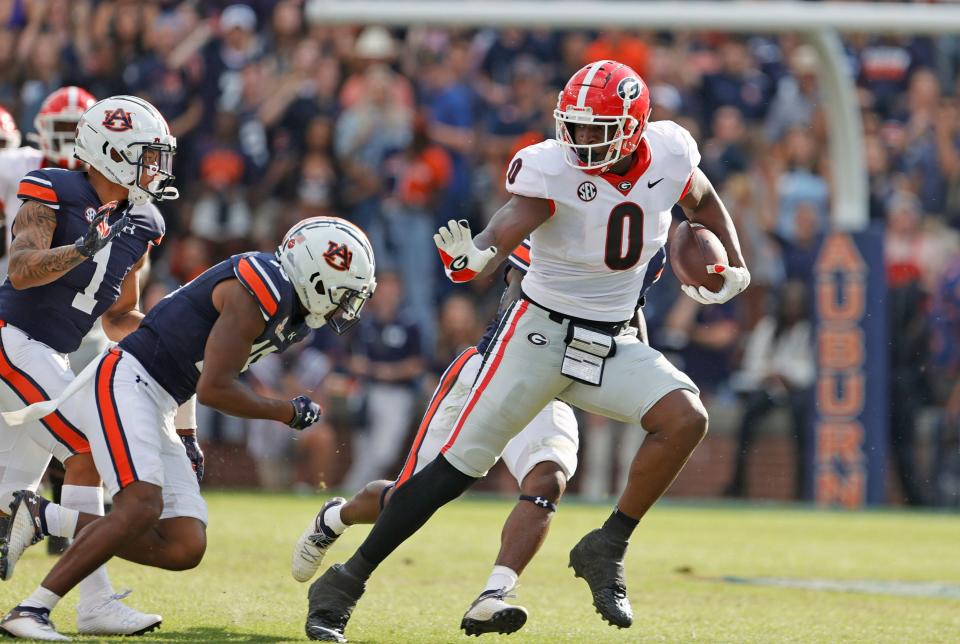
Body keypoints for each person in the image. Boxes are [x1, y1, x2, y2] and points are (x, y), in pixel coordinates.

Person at [304, 59, 750, 642]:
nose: (583, 139)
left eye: (598, 128)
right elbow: (514, 218)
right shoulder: (551, 168)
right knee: (452, 473)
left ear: (636, 126)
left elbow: (703, 200)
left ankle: (606, 545)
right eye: (577, 126)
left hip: (611, 341)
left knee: (686, 417)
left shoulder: (669, 153)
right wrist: (480, 253)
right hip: (538, 334)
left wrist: (734, 265)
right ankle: (343, 582)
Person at [0, 216, 377, 641]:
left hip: (158, 394)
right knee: (140, 506)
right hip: (129, 380)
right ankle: (32, 609)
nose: (348, 306)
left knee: (184, 545)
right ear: (316, 277)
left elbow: (194, 359)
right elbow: (215, 387)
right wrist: (285, 411)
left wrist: (186, 432)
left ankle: (43, 517)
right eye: (345, 293)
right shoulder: (260, 290)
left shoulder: (288, 306)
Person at [0, 93, 179, 638]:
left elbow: (121, 312)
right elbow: (23, 269)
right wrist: (80, 249)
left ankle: (82, 598)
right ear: (113, 152)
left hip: (47, 352)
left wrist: (174, 344)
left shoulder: (144, 221)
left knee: (7, 494)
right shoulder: (53, 187)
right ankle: (86, 604)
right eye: (148, 155)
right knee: (87, 449)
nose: (158, 168)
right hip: (13, 339)